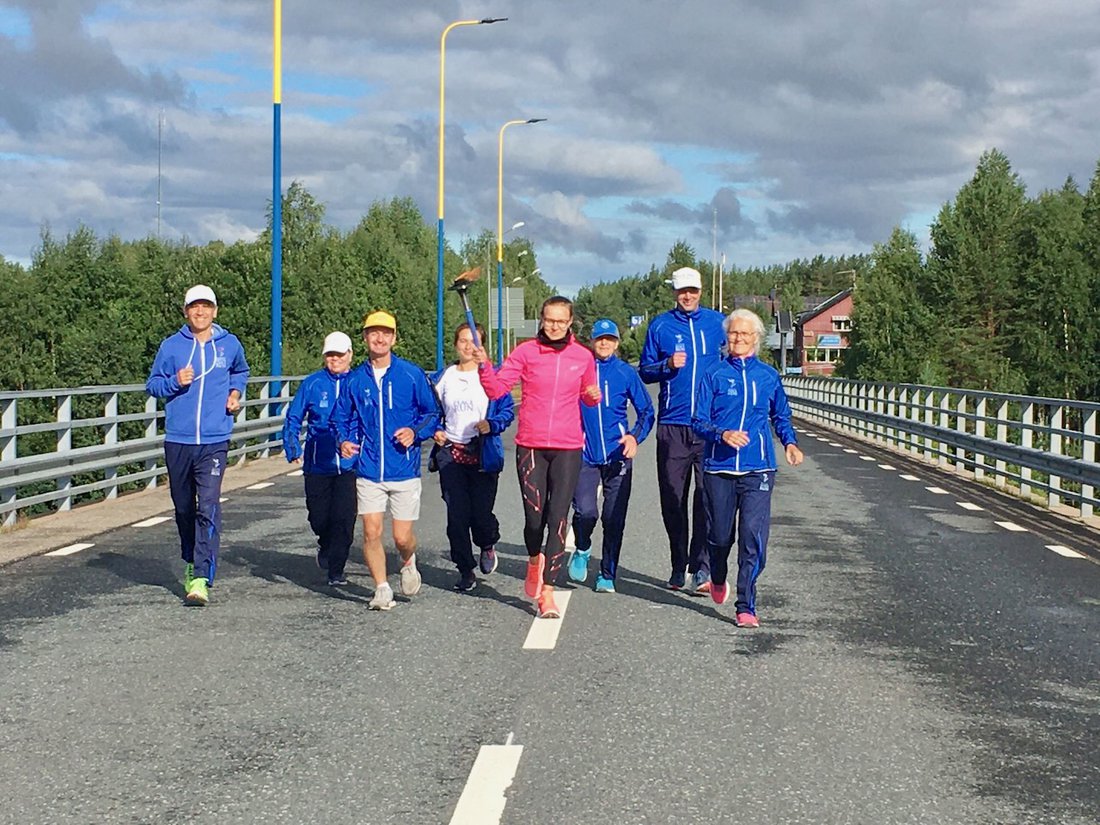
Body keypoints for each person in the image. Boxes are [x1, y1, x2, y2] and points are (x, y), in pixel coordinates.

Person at [474, 296, 601, 619]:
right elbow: (496, 390)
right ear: (541, 320)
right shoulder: (526, 352)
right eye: (549, 320)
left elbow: (589, 396)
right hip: (531, 445)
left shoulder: (582, 356)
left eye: (561, 321)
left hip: (568, 447)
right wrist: (484, 365)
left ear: (570, 323)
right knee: (534, 520)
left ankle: (547, 592)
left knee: (558, 519)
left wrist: (592, 396)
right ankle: (534, 560)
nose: (555, 326)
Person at [691, 308, 803, 627]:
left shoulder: (767, 376)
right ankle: (717, 574)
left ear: (756, 338)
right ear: (726, 337)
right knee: (719, 537)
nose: (738, 338)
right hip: (719, 468)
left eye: (744, 333)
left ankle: (746, 605)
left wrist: (790, 443)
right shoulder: (714, 374)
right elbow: (698, 421)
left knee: (753, 538)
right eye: (733, 333)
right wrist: (722, 434)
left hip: (759, 469)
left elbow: (780, 415)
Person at [146, 284, 250, 606]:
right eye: (194, 306)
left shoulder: (229, 344)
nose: (200, 312)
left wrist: (235, 394)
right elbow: (153, 385)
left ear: (215, 311)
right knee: (184, 508)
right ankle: (191, 559)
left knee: (207, 504)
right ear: (186, 311)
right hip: (179, 439)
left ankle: (201, 576)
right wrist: (175, 381)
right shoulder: (172, 346)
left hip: (215, 439)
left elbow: (241, 371)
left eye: (206, 306)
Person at [331, 310, 440, 611]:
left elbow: (432, 413)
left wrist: (415, 432)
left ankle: (408, 560)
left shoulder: (411, 374)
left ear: (394, 338)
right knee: (371, 531)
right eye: (373, 333)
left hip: (403, 468)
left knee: (402, 537)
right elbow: (340, 417)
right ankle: (381, 588)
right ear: (365, 337)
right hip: (368, 468)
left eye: (385, 333)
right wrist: (343, 441)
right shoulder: (355, 380)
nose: (379, 338)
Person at [639, 266, 726, 593]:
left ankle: (701, 567)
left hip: (708, 427)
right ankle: (678, 565)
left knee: (707, 498)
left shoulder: (718, 324)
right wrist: (666, 365)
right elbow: (645, 371)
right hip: (673, 426)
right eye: (682, 291)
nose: (687, 296)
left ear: (700, 291)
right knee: (673, 499)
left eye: (693, 290)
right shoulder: (661, 326)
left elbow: (735, 361)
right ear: (675, 293)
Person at [567, 319, 655, 593]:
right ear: (592, 342)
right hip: (585, 454)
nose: (604, 343)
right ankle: (582, 547)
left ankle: (607, 574)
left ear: (616, 343)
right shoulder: (579, 370)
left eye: (610, 339)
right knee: (585, 512)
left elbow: (646, 411)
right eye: (600, 338)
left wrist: (634, 437)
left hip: (618, 455)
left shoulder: (625, 373)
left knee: (613, 518)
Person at [430, 323, 515, 592]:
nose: (468, 346)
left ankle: (487, 542)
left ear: (483, 346)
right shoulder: (444, 377)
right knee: (457, 517)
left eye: (474, 342)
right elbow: (430, 411)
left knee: (480, 515)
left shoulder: (492, 376)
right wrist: (436, 430)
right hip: (451, 454)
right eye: (463, 341)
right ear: (455, 344)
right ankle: (465, 570)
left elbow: (507, 411)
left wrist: (492, 424)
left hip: (483, 455)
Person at [281, 331, 358, 587]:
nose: (335, 359)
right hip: (318, 463)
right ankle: (325, 544)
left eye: (339, 355)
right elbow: (294, 417)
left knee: (344, 519)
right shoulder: (313, 384)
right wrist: (292, 446)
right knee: (319, 517)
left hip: (350, 464)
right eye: (330, 355)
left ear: (350, 355)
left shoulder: (358, 382)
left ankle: (337, 569)